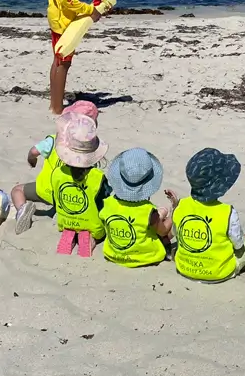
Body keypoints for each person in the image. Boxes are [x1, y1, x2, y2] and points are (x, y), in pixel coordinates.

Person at [16, 112, 110, 257]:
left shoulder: (58, 173)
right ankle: (90, 238)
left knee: (18, 190)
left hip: (64, 217)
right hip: (90, 221)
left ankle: (69, 232)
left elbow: (33, 153)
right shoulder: (97, 176)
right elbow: (104, 200)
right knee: (97, 223)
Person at [11, 100, 100, 234]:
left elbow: (34, 151)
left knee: (17, 190)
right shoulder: (87, 148)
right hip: (72, 194)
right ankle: (61, 211)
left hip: (46, 189)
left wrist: (31, 159)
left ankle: (22, 210)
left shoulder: (52, 140)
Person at [173, 148, 245, 282]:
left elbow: (177, 234)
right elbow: (238, 244)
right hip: (218, 272)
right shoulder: (227, 211)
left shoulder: (181, 205)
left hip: (184, 267)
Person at [101, 148, 178, 268]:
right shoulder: (148, 210)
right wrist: (173, 210)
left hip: (113, 253)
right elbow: (163, 231)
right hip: (145, 257)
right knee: (169, 223)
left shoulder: (108, 203)